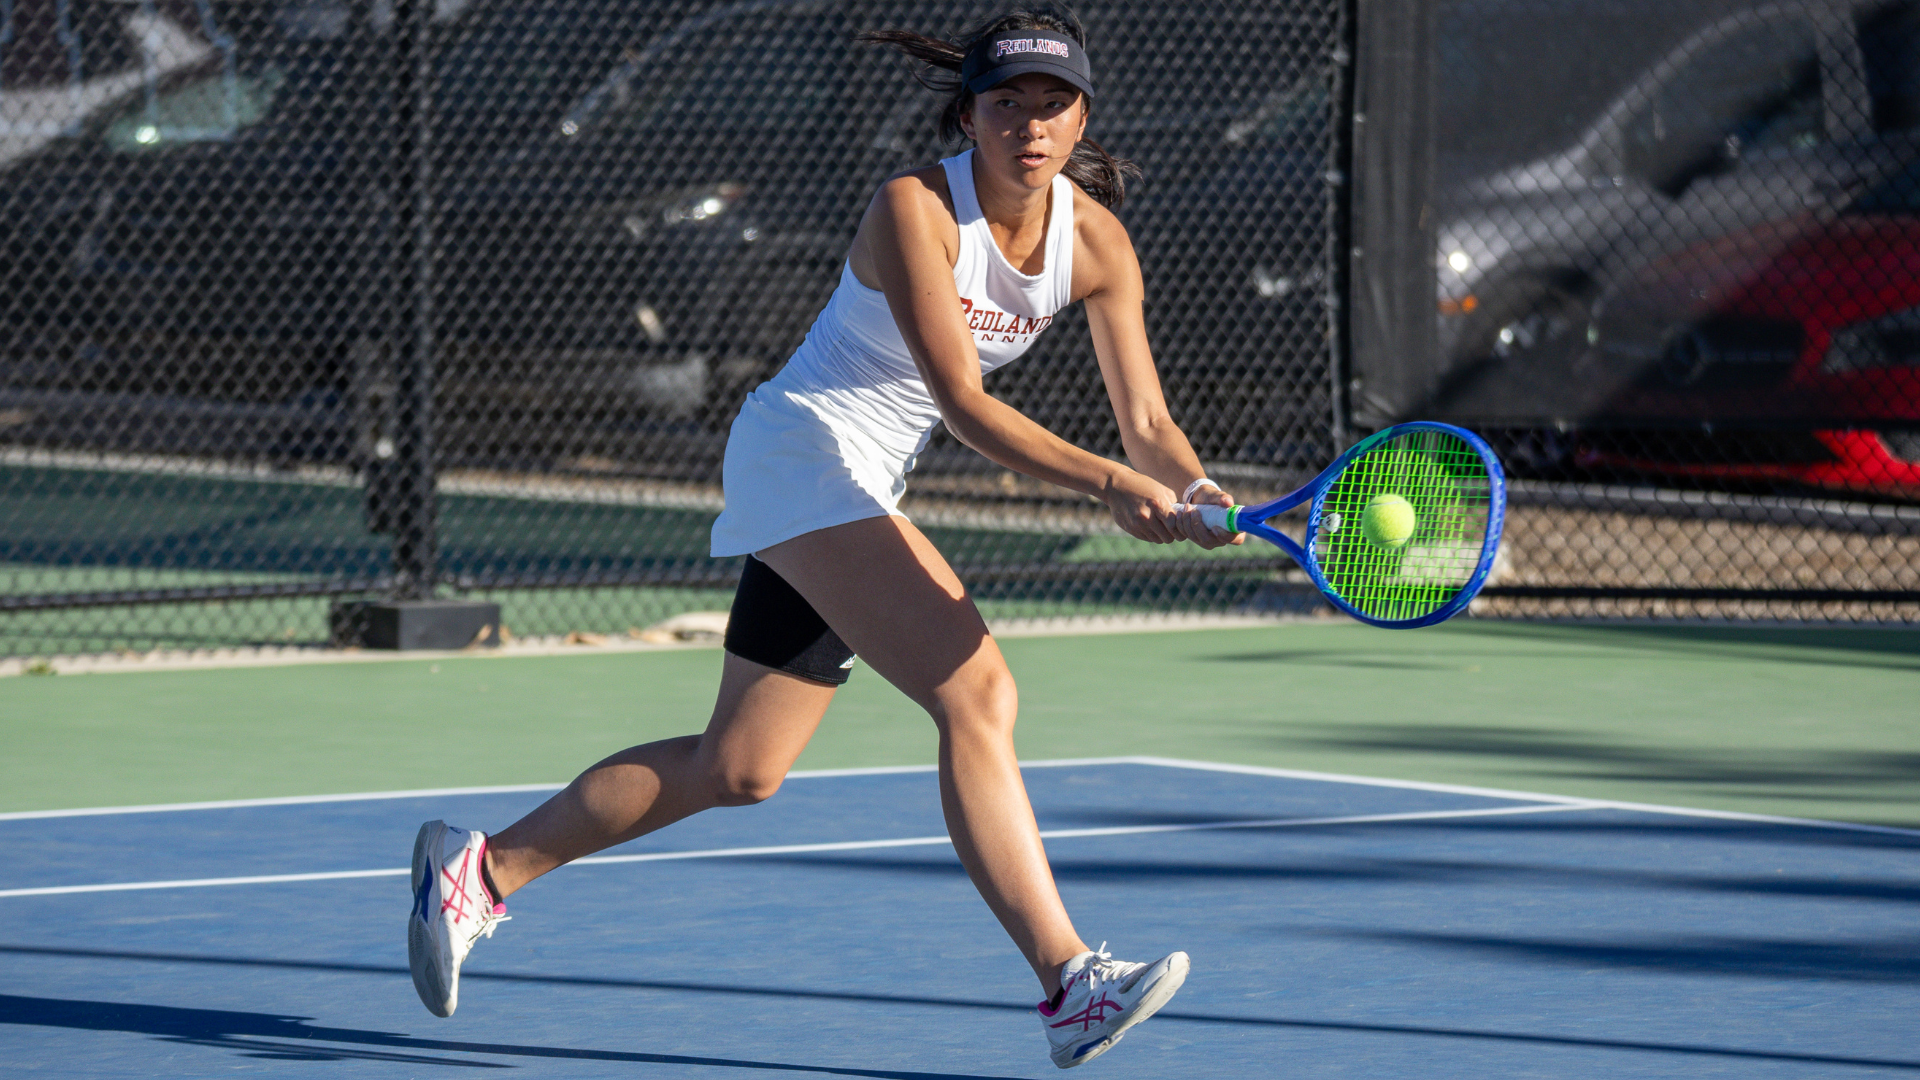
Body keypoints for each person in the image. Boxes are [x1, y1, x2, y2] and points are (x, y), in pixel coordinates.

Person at [407, 4, 1240, 1068]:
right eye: (1007, 102)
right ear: (969, 114)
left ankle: (480, 875)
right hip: (803, 453)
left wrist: (1198, 488)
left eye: (1053, 103)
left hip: (855, 480)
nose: (1030, 124)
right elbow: (965, 405)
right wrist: (1113, 486)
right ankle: (1071, 983)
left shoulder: (1100, 246)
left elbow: (1153, 427)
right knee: (977, 692)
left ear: (1083, 117)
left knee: (740, 767)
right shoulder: (915, 208)